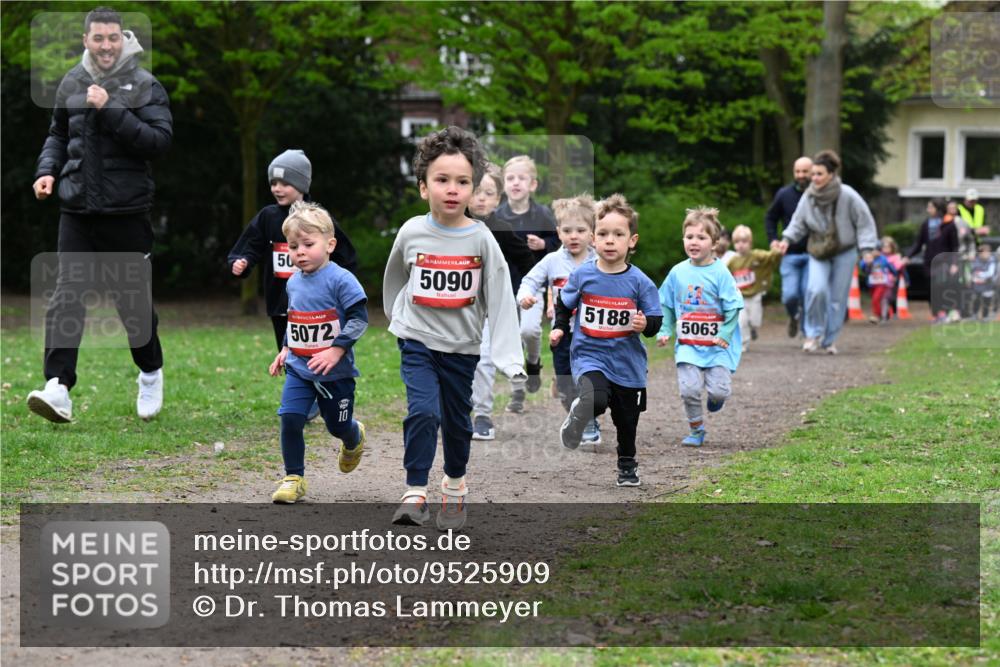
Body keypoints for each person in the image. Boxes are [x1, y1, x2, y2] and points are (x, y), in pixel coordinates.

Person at [27, 7, 172, 423]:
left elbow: (158, 142)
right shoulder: (71, 82)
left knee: (133, 308)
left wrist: (111, 109)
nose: (105, 46)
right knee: (65, 298)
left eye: (112, 38)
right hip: (76, 211)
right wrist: (46, 172)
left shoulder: (145, 85)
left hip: (126, 213)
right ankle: (58, 388)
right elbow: (58, 134)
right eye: (98, 39)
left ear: (122, 39)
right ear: (86, 40)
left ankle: (149, 371)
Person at [383, 126, 525, 529]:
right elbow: (395, 277)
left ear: (473, 188)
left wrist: (509, 357)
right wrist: (397, 317)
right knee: (423, 412)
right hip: (417, 340)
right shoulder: (411, 231)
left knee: (458, 421)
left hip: (462, 347)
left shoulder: (481, 238)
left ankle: (455, 485)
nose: (452, 189)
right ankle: (414, 492)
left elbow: (499, 297)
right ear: (423, 187)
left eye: (462, 182)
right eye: (441, 180)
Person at [227, 150, 358, 420]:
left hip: (321, 306)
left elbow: (346, 255)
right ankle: (302, 398)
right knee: (290, 350)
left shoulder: (318, 219)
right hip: (281, 301)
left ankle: (323, 393)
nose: (277, 188)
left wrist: (335, 285)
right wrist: (242, 262)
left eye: (284, 182)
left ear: (301, 184)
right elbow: (250, 245)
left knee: (319, 348)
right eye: (273, 182)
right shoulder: (268, 217)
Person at [551, 194, 662, 487]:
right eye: (603, 234)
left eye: (618, 234)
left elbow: (655, 322)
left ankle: (627, 464)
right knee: (595, 399)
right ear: (592, 239)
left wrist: (644, 324)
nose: (610, 240)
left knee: (627, 421)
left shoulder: (640, 282)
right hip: (590, 355)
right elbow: (564, 302)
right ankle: (577, 422)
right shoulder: (583, 274)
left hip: (627, 363)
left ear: (632, 240)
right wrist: (560, 327)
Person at [267, 202, 368, 503]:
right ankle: (293, 477)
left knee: (337, 426)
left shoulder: (341, 279)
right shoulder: (294, 281)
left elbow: (359, 319)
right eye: (293, 246)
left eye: (308, 244)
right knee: (291, 418)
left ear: (330, 244)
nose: (299, 252)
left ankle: (354, 436)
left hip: (334, 372)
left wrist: (336, 351)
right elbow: (295, 318)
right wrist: (285, 349)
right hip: (300, 368)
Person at [657, 207, 744, 449]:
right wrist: (665, 329)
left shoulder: (721, 273)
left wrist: (725, 333)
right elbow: (665, 304)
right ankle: (696, 430)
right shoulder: (677, 272)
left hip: (716, 346)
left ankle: (716, 400)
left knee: (719, 391)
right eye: (689, 237)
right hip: (688, 345)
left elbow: (734, 306)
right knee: (689, 389)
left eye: (701, 237)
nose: (694, 242)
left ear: (714, 243)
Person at [517, 194, 600, 442]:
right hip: (561, 334)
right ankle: (576, 413)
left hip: (593, 333)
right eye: (567, 230)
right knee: (567, 386)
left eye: (580, 230)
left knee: (589, 380)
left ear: (592, 233)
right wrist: (525, 296)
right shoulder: (552, 260)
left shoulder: (600, 260)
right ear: (558, 232)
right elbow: (530, 280)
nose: (574, 236)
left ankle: (589, 423)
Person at [779, 149, 879, 354]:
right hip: (818, 250)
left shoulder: (848, 195)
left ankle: (829, 340)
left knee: (836, 298)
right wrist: (786, 239)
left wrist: (867, 249)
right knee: (816, 290)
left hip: (845, 251)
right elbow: (798, 222)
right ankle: (812, 334)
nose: (813, 178)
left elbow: (864, 222)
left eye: (818, 174)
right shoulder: (809, 197)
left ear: (831, 174)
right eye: (812, 174)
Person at [468, 164, 535, 441]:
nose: (482, 198)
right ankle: (453, 410)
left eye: (489, 193)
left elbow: (526, 262)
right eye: (477, 192)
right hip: (455, 306)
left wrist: (519, 292)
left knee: (483, 358)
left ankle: (482, 415)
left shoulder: (502, 229)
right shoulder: (452, 225)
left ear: (498, 199)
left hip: (489, 308)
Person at [492, 155, 560, 412]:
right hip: (504, 285)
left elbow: (562, 245)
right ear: (503, 184)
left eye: (522, 178)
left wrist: (544, 245)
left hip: (533, 285)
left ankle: (533, 362)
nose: (515, 183)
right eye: (510, 178)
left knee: (529, 331)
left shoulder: (542, 215)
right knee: (510, 341)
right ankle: (517, 394)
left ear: (533, 184)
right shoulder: (497, 216)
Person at [765, 156, 813, 338]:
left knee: (808, 293)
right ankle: (794, 316)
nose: (801, 175)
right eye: (797, 171)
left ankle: (807, 334)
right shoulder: (784, 194)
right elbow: (770, 218)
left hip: (812, 254)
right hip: (789, 254)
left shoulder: (817, 196)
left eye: (805, 171)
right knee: (790, 296)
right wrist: (773, 240)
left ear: (812, 172)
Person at [726, 225, 782, 352]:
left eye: (744, 242)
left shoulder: (756, 256)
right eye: (737, 242)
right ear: (734, 244)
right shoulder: (732, 261)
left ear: (750, 243)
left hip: (755, 294)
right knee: (742, 321)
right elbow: (724, 273)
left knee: (754, 320)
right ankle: (743, 343)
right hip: (740, 297)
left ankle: (753, 328)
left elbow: (770, 257)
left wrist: (777, 251)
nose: (741, 245)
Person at [906, 199, 959, 323]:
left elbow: (955, 246)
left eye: (930, 207)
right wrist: (908, 256)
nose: (928, 210)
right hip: (929, 261)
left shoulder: (950, 224)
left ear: (938, 208)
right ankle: (936, 314)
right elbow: (919, 244)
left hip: (944, 262)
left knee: (941, 287)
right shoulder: (926, 224)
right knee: (930, 288)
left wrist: (955, 263)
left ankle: (944, 313)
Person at [859, 240, 900, 324]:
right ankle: (886, 313)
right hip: (871, 284)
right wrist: (867, 263)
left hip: (881, 283)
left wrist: (895, 275)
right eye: (873, 250)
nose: (875, 252)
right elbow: (862, 267)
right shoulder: (867, 259)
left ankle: (877, 315)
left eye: (877, 250)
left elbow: (891, 267)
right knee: (875, 299)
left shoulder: (883, 259)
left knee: (876, 299)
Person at [970, 243, 997, 321]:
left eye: (988, 252)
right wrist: (977, 276)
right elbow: (973, 272)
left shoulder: (992, 260)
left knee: (987, 300)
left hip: (988, 283)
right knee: (977, 299)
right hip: (977, 283)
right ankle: (974, 315)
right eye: (985, 252)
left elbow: (990, 273)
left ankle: (985, 316)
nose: (987, 254)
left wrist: (980, 274)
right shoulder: (975, 260)